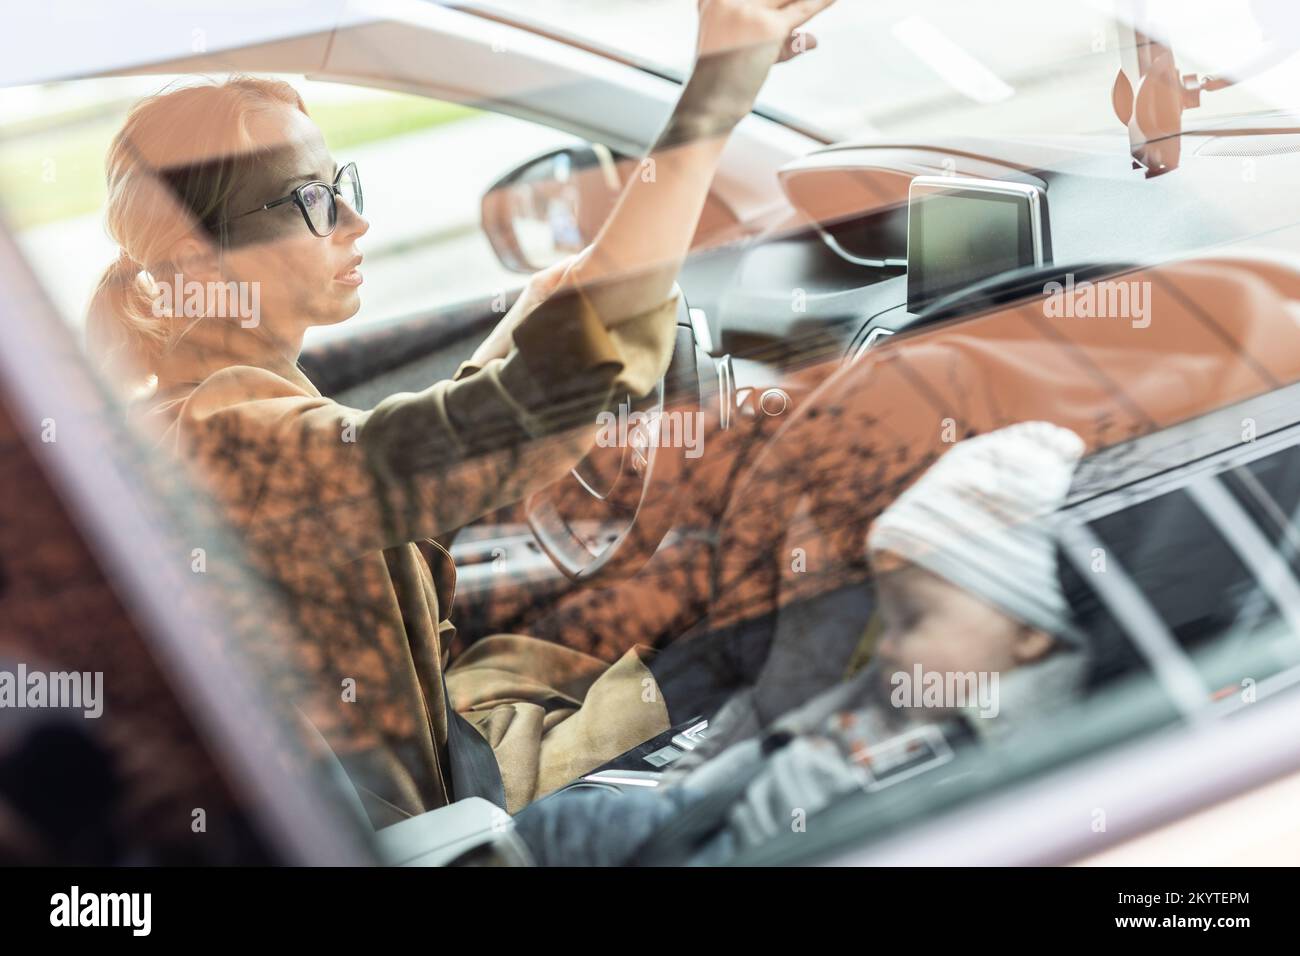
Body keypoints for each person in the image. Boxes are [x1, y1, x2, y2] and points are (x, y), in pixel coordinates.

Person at [84, 0, 839, 823]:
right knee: (793, 616)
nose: (355, 221)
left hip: (466, 735)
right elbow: (506, 430)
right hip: (455, 811)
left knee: (683, 596)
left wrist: (538, 316)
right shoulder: (224, 433)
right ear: (200, 256)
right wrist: (715, 96)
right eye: (309, 200)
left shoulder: (222, 402)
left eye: (342, 186)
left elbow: (397, 480)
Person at [507, 421, 1103, 865]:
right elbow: (762, 739)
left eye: (914, 621)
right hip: (705, 813)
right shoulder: (902, 690)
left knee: (556, 830)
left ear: (1029, 632)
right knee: (554, 827)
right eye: (887, 624)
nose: (888, 648)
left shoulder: (1008, 754)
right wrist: (678, 796)